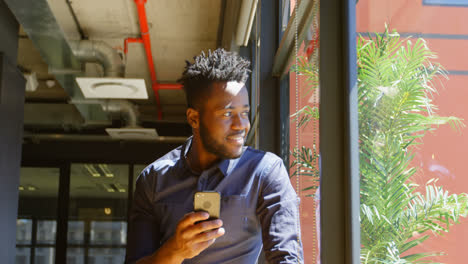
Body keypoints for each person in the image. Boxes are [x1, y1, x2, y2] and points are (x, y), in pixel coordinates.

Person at [125, 49, 303, 264]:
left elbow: (287, 258)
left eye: (244, 113)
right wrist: (174, 251)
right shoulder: (153, 180)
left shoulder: (265, 171)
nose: (242, 125)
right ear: (194, 118)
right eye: (227, 114)